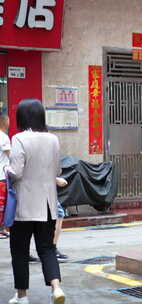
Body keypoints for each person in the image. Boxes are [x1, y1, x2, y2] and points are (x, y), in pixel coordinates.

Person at [7, 99, 65, 304]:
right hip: (48, 206)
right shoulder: (53, 139)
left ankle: (22, 296)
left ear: (21, 117)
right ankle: (56, 288)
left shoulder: (19, 139)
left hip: (24, 207)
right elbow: (57, 171)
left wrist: (6, 170)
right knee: (47, 248)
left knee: (20, 250)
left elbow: (16, 172)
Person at [0, 113, 11, 239]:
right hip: (2, 176)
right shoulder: (3, 137)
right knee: (2, 204)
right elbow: (11, 156)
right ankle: (1, 229)